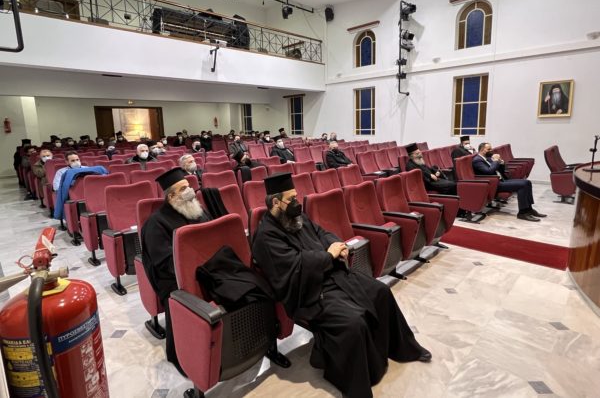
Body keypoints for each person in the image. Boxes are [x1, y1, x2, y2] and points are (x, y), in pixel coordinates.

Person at [252, 173, 431, 398]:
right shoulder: (265, 237)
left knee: (381, 292)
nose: (297, 202)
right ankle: (357, 384)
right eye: (292, 199)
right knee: (354, 322)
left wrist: (337, 244)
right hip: (308, 292)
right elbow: (294, 267)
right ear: (276, 202)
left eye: (296, 197)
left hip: (333, 275)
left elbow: (321, 233)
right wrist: (328, 255)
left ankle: (405, 348)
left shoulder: (297, 217)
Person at [141, 168, 212, 371]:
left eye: (188, 186)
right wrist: (197, 271)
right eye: (183, 189)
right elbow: (165, 263)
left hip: (205, 268)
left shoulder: (197, 210)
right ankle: (184, 356)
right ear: (171, 196)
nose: (190, 191)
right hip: (175, 279)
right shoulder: (156, 223)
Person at [472, 142, 547, 221]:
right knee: (523, 185)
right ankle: (523, 212)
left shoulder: (488, 158)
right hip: (493, 184)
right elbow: (489, 171)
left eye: (491, 148)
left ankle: (529, 209)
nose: (491, 150)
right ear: (482, 150)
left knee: (527, 182)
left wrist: (501, 162)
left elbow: (500, 170)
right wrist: (496, 161)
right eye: (489, 149)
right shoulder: (477, 160)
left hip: (501, 180)